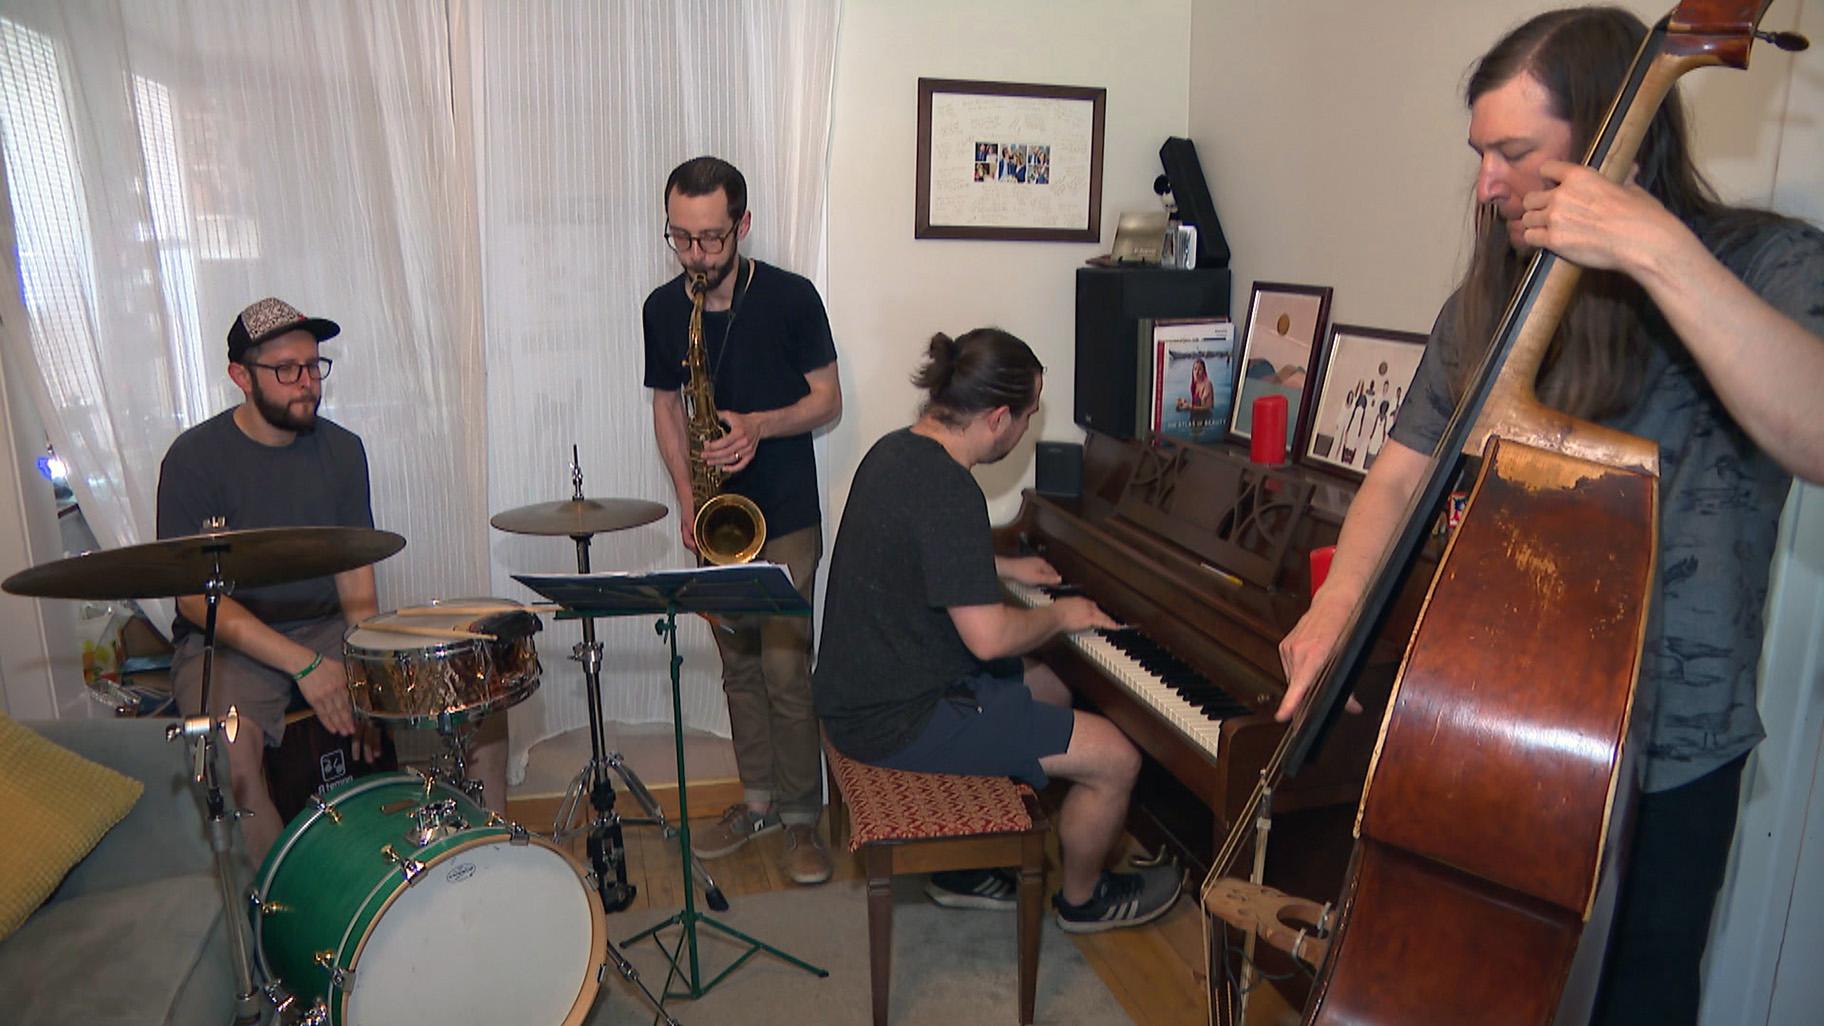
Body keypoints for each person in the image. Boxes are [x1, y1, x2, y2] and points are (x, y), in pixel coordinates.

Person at [1273, 9, 1824, 1024]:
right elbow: (1396, 480)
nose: (1487, 183)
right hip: (1494, 727)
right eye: (1481, 154)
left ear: (1617, 139)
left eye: (1514, 153)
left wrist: (1654, 249)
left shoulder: (1763, 265)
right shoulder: (1489, 301)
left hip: (1673, 756)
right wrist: (1339, 604)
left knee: (1638, 1001)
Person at [814, 328, 1182, 933]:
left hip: (865, 690)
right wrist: (1062, 614)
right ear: (997, 417)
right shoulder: (949, 490)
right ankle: (1084, 901)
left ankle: (965, 866)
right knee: (1117, 757)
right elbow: (987, 639)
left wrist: (1001, 566)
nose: (1029, 427)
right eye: (1029, 415)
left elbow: (925, 557)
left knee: (1054, 688)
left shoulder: (898, 451)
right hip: (896, 720)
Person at [643, 156, 842, 885]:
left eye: (711, 240)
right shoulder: (664, 310)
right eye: (682, 239)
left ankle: (801, 820)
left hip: (785, 515)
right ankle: (756, 800)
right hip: (717, 518)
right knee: (738, 670)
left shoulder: (791, 298)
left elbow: (829, 401)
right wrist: (689, 499)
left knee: (789, 671)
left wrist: (760, 424)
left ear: (743, 226)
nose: (696, 257)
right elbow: (667, 406)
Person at [156, 297, 379, 863]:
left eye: (313, 366)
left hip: (327, 624)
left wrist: (369, 669)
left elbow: (355, 572)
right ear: (240, 377)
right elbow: (193, 601)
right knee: (230, 759)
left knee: (449, 689)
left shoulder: (343, 451)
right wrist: (301, 665)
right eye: (286, 370)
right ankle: (282, 916)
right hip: (232, 640)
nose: (306, 383)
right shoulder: (192, 459)